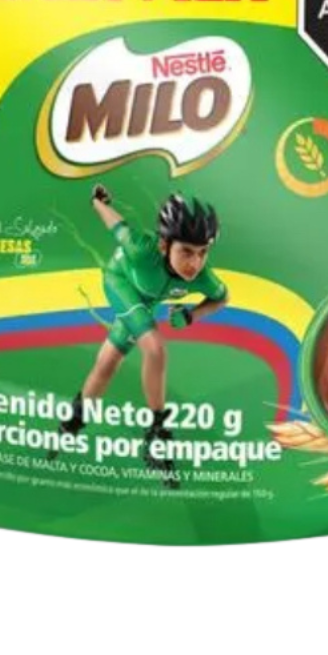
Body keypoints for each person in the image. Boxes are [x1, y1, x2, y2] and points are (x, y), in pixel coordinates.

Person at [60, 187, 229, 486]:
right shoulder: (141, 250)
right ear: (164, 245)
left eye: (203, 252)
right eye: (186, 251)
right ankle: (157, 432)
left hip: (146, 298)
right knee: (155, 348)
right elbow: (117, 226)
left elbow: (221, 298)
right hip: (120, 282)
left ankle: (73, 420)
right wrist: (99, 202)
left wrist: (192, 314)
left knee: (107, 363)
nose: (195, 263)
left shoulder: (203, 276)